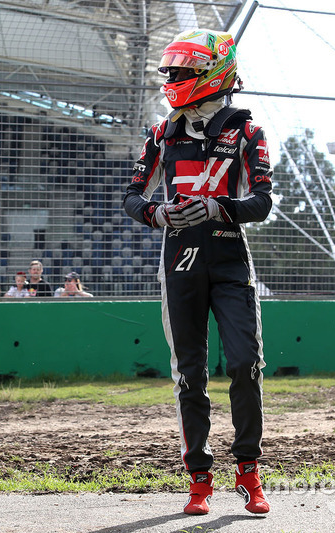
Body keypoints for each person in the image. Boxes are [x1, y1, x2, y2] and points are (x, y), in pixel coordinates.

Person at [123, 29, 273, 516]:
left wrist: (216, 209)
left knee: (245, 363)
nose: (176, 81)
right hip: (178, 263)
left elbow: (263, 202)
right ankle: (199, 479)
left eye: (184, 72)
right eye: (172, 73)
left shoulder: (248, 132)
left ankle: (248, 471)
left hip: (230, 259)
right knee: (189, 375)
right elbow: (132, 197)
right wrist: (157, 214)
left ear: (214, 73)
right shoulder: (161, 133)